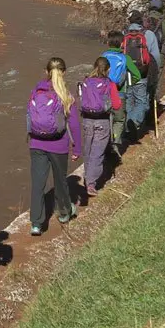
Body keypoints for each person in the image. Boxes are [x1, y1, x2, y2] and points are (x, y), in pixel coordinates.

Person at [27, 57, 81, 236]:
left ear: (46, 71)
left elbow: (29, 115)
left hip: (36, 143)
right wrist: (77, 148)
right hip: (59, 145)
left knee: (38, 184)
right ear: (64, 72)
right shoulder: (66, 93)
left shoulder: (37, 90)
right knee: (60, 181)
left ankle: (36, 223)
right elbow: (73, 124)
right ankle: (65, 213)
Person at [78, 57, 123, 196]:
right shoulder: (109, 84)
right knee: (98, 152)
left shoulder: (85, 82)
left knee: (88, 150)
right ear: (108, 69)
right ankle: (91, 184)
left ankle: (87, 177)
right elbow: (117, 105)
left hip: (86, 120)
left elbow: (80, 101)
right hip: (102, 121)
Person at [102, 30, 143, 151]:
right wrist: (128, 84)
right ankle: (114, 145)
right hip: (120, 93)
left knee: (105, 119)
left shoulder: (103, 56)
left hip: (104, 94)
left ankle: (105, 143)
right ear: (122, 44)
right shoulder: (125, 58)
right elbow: (137, 75)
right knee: (119, 120)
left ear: (108, 43)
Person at [123, 11, 161, 134]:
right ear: (141, 21)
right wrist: (155, 75)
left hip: (127, 73)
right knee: (142, 101)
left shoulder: (124, 34)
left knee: (128, 99)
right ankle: (133, 122)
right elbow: (155, 57)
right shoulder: (148, 34)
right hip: (143, 73)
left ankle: (127, 125)